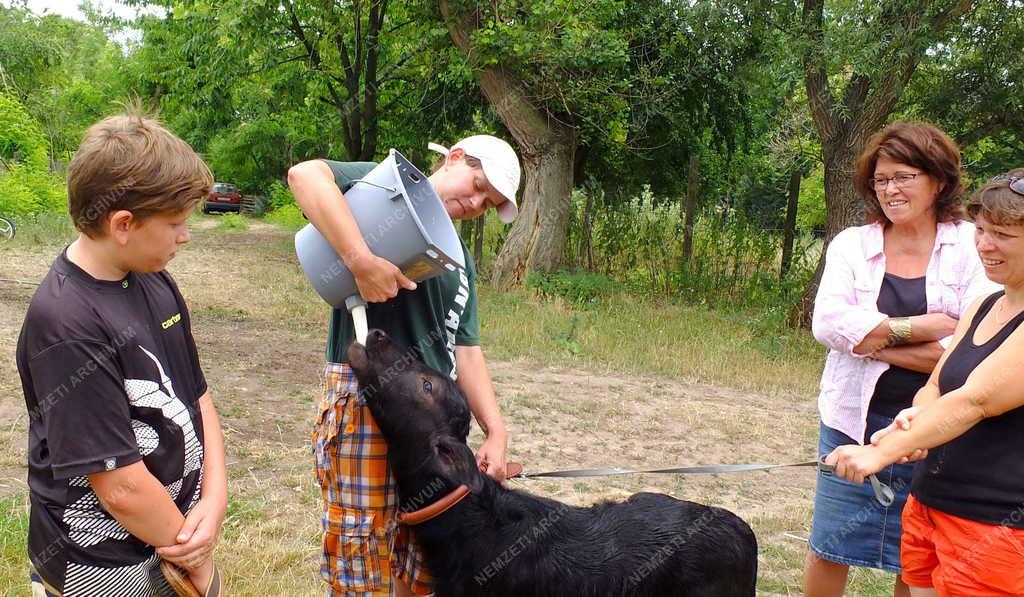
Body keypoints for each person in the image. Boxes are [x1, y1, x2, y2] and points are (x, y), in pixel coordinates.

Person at [288, 135, 520, 597]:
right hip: (370, 401)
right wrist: (360, 261)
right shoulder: (383, 190)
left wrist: (495, 431)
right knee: (362, 544)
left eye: (487, 203)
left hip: (435, 417)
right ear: (454, 157)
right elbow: (305, 176)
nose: (474, 203)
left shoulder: (459, 259)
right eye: (476, 185)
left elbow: (465, 349)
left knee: (419, 554)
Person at [15, 112, 227, 596]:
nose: (185, 236)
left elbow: (198, 394)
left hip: (172, 540)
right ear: (124, 223)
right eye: (175, 223)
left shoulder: (154, 279)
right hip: (100, 566)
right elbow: (122, 489)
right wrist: (196, 559)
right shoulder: (67, 324)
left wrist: (214, 501)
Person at [804, 122, 998, 597]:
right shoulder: (852, 244)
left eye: (903, 176)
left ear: (938, 179)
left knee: (915, 557)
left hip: (936, 426)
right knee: (830, 544)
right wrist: (919, 328)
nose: (890, 189)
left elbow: (975, 349)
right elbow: (827, 324)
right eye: (881, 179)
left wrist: (874, 343)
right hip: (853, 418)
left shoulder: (974, 246)